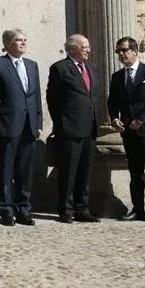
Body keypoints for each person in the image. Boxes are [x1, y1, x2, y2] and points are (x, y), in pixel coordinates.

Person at [108, 36, 145, 225]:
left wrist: (141, 119)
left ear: (135, 51)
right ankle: (138, 209)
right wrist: (115, 118)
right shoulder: (117, 77)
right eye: (119, 51)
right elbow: (112, 102)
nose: (122, 54)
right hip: (128, 130)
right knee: (135, 172)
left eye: (125, 50)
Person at [46, 34, 100, 224]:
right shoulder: (60, 68)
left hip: (90, 128)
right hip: (70, 129)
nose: (88, 49)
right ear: (72, 49)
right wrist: (61, 123)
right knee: (68, 172)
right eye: (84, 46)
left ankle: (82, 208)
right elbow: (52, 99)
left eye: (88, 46)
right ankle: (65, 210)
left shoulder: (91, 69)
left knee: (85, 172)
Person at [0, 28, 42, 226]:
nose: (23, 43)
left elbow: (36, 96)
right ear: (7, 44)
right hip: (8, 125)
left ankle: (24, 208)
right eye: (18, 40)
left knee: (25, 170)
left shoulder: (32, 65)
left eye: (24, 40)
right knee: (6, 170)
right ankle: (5, 209)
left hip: (29, 126)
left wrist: (38, 122)